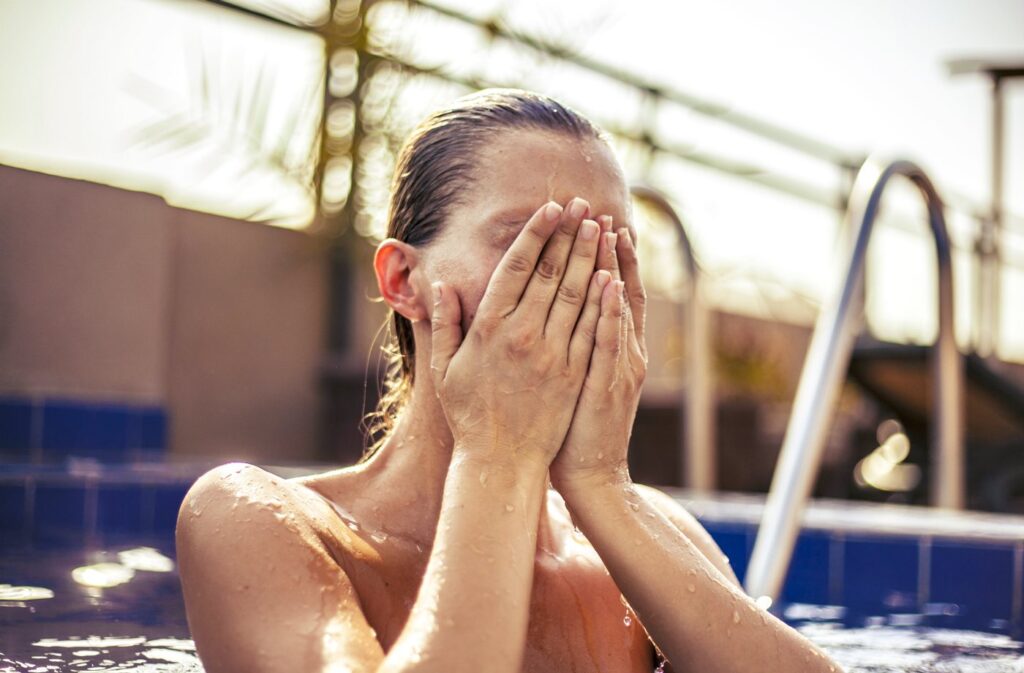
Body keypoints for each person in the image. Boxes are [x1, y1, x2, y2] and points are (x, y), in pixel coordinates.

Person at [176, 88, 842, 673]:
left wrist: (602, 487)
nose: (580, 280)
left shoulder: (652, 535)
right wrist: (499, 451)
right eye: (534, 241)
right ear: (403, 281)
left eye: (608, 249)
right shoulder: (261, 523)